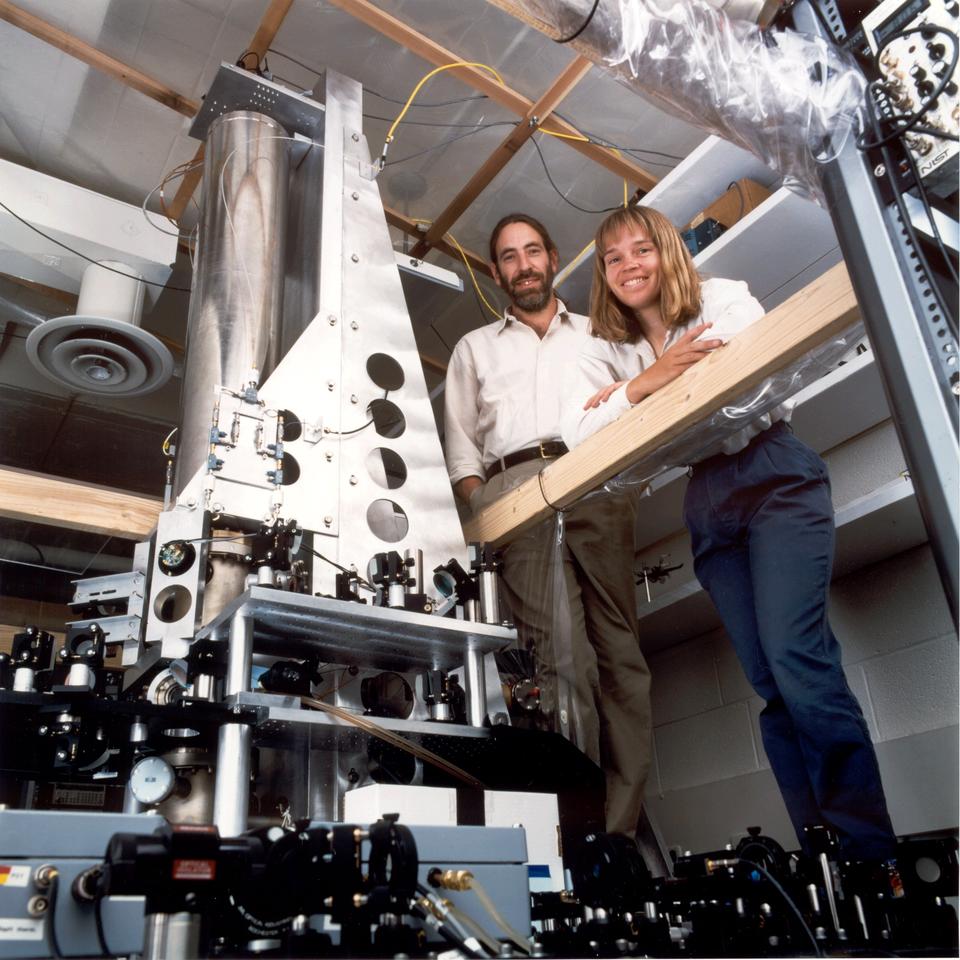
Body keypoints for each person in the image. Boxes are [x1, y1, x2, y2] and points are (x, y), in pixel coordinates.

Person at [562, 205, 897, 860]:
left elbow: (749, 391)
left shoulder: (724, 299)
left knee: (800, 664)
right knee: (771, 688)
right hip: (708, 499)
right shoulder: (613, 350)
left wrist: (630, 401)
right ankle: (823, 862)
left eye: (642, 249)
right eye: (614, 258)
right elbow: (576, 434)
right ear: (605, 276)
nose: (630, 265)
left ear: (668, 251)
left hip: (773, 472)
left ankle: (872, 860)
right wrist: (656, 377)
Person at [444, 213, 652, 838]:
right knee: (562, 661)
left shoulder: (602, 334)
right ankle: (572, 830)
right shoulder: (475, 348)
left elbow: (645, 401)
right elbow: (460, 448)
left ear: (553, 257)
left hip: (596, 476)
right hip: (515, 491)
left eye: (533, 251)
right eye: (509, 256)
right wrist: (487, 504)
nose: (524, 264)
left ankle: (616, 830)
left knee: (621, 658)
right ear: (496, 272)